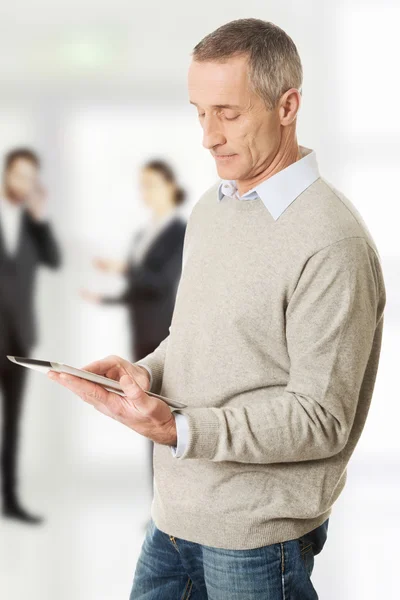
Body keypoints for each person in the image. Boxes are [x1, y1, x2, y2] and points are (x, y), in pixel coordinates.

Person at [47, 18, 386, 599]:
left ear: (288, 106)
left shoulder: (332, 242)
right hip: (174, 520)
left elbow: (321, 419)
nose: (208, 136)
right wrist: (144, 373)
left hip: (256, 538)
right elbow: (197, 337)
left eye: (228, 113)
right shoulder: (214, 207)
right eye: (199, 112)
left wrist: (180, 428)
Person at [81, 159, 187, 501]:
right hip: (142, 334)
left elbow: (160, 282)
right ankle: (157, 503)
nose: (146, 192)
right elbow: (137, 289)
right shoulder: (143, 234)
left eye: (152, 184)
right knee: (144, 416)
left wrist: (122, 267)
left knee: (166, 419)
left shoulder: (180, 232)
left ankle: (172, 501)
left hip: (166, 334)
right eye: (142, 185)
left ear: (171, 186)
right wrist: (107, 299)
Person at [0, 147, 61, 524]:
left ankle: (10, 499)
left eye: (30, 177)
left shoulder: (32, 225)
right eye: (19, 175)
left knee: (13, 423)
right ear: (6, 174)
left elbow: (54, 259)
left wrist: (41, 218)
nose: (24, 183)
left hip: (19, 339)